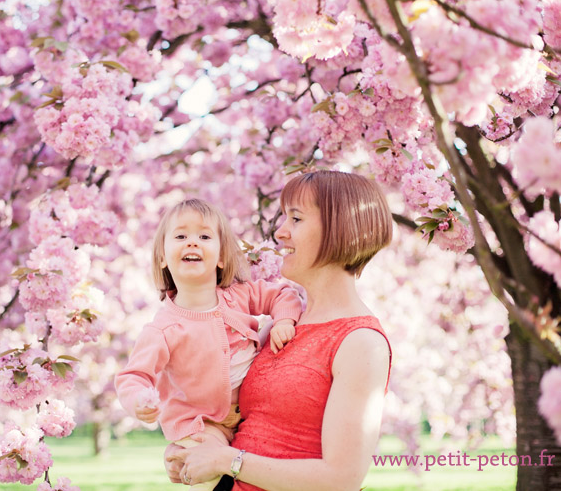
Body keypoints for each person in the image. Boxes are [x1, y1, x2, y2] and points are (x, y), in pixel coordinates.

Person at [165, 170, 393, 491]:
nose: (280, 232)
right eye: (284, 218)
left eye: (296, 219)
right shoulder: (282, 323)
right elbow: (248, 424)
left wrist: (225, 460)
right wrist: (196, 448)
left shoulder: (361, 343)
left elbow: (342, 478)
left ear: (341, 228)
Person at [115, 198, 303, 490]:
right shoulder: (164, 328)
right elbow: (133, 376)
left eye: (204, 236)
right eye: (180, 236)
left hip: (251, 413)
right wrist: (139, 400)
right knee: (207, 471)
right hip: (202, 424)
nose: (192, 243)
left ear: (222, 258)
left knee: (265, 332)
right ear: (163, 257)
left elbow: (282, 295)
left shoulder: (238, 295)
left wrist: (283, 321)